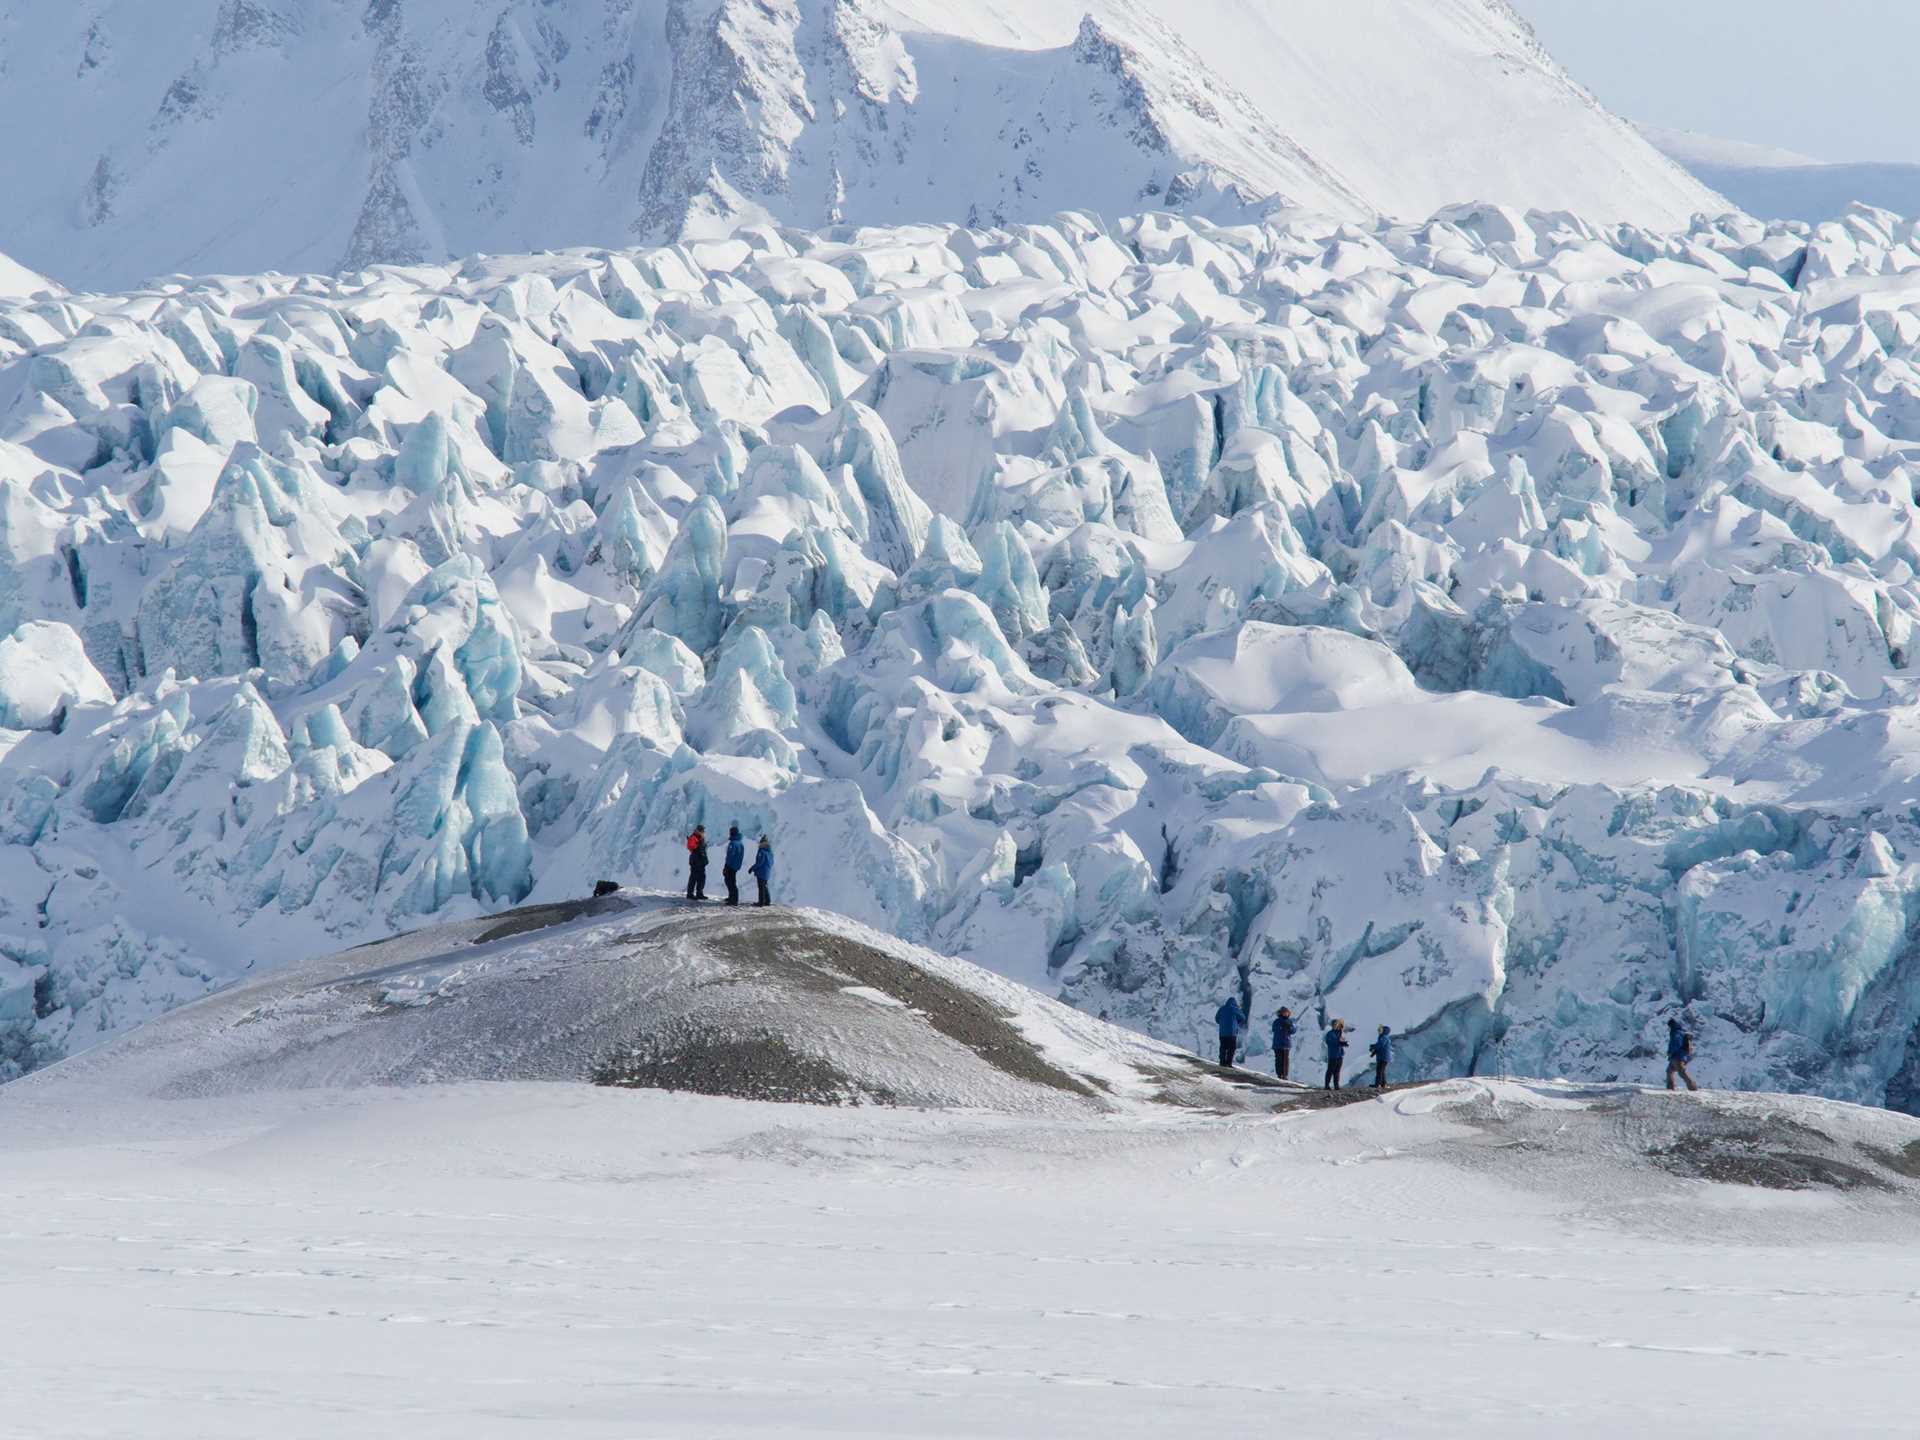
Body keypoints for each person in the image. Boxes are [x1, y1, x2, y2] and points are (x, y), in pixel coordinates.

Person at [1666, 1017, 1698, 1091]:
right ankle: (1670, 1088)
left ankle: (1693, 1087)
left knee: (1682, 1073)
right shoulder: (1680, 1032)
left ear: (1671, 1025)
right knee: (1669, 1071)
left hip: (1677, 1057)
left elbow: (1676, 1044)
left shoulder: (1675, 1032)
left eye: (1669, 1026)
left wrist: (1670, 1052)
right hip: (1679, 1056)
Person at [1214, 995, 1246, 1067]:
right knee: (1231, 1048)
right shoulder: (1234, 1009)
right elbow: (1243, 1017)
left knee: (1223, 1048)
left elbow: (1216, 1019)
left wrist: (1222, 1023)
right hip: (1232, 1033)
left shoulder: (1221, 1009)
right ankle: (1228, 1063)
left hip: (1222, 1033)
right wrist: (1237, 1021)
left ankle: (1222, 1062)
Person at [722, 825, 745, 906]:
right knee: (732, 881)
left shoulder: (733, 843)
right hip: (735, 866)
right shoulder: (740, 843)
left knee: (730, 882)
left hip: (731, 866)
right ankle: (732, 897)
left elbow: (730, 856)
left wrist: (726, 866)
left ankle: (733, 900)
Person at [685, 823, 709, 901]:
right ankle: (690, 893)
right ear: (698, 831)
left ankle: (699, 893)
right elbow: (690, 846)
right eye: (702, 830)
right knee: (694, 877)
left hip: (701, 861)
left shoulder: (700, 838)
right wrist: (697, 847)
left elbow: (703, 850)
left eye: (703, 830)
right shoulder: (694, 837)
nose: (703, 832)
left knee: (701, 878)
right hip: (695, 860)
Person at [1271, 1007, 1295, 1080]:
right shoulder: (1277, 1021)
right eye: (1284, 1012)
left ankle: (1285, 1075)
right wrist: (1282, 1026)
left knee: (1285, 1060)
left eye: (1286, 1012)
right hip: (1278, 1044)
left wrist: (1289, 1027)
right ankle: (1279, 1074)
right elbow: (1274, 1029)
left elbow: (1293, 1030)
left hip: (1286, 1044)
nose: (1286, 1014)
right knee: (1279, 1059)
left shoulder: (1289, 1021)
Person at [1323, 1019, 1348, 1091]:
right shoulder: (1330, 1034)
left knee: (1337, 1071)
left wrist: (1344, 1043)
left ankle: (1336, 1085)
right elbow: (1331, 1042)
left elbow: (1340, 1041)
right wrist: (1340, 1042)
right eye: (1336, 1024)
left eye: (1338, 1024)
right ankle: (1327, 1085)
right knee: (1330, 1070)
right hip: (1333, 1055)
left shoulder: (1339, 1033)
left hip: (1339, 1055)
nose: (1337, 1026)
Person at [750, 834, 774, 906]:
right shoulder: (770, 852)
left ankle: (761, 902)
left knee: (761, 888)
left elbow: (759, 863)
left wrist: (752, 868)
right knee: (765, 886)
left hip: (761, 872)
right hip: (767, 872)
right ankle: (767, 901)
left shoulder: (762, 852)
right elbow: (772, 862)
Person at [1369, 1024, 1392, 1089]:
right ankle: (1383, 1084)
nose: (1379, 1030)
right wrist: (1374, 1048)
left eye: (1380, 1029)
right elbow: (1380, 1045)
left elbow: (1380, 1045)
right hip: (1383, 1057)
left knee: (1379, 1071)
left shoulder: (1384, 1037)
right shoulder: (1383, 1037)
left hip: (1383, 1057)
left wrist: (1373, 1047)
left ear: (1384, 1031)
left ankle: (1378, 1084)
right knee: (1381, 1071)